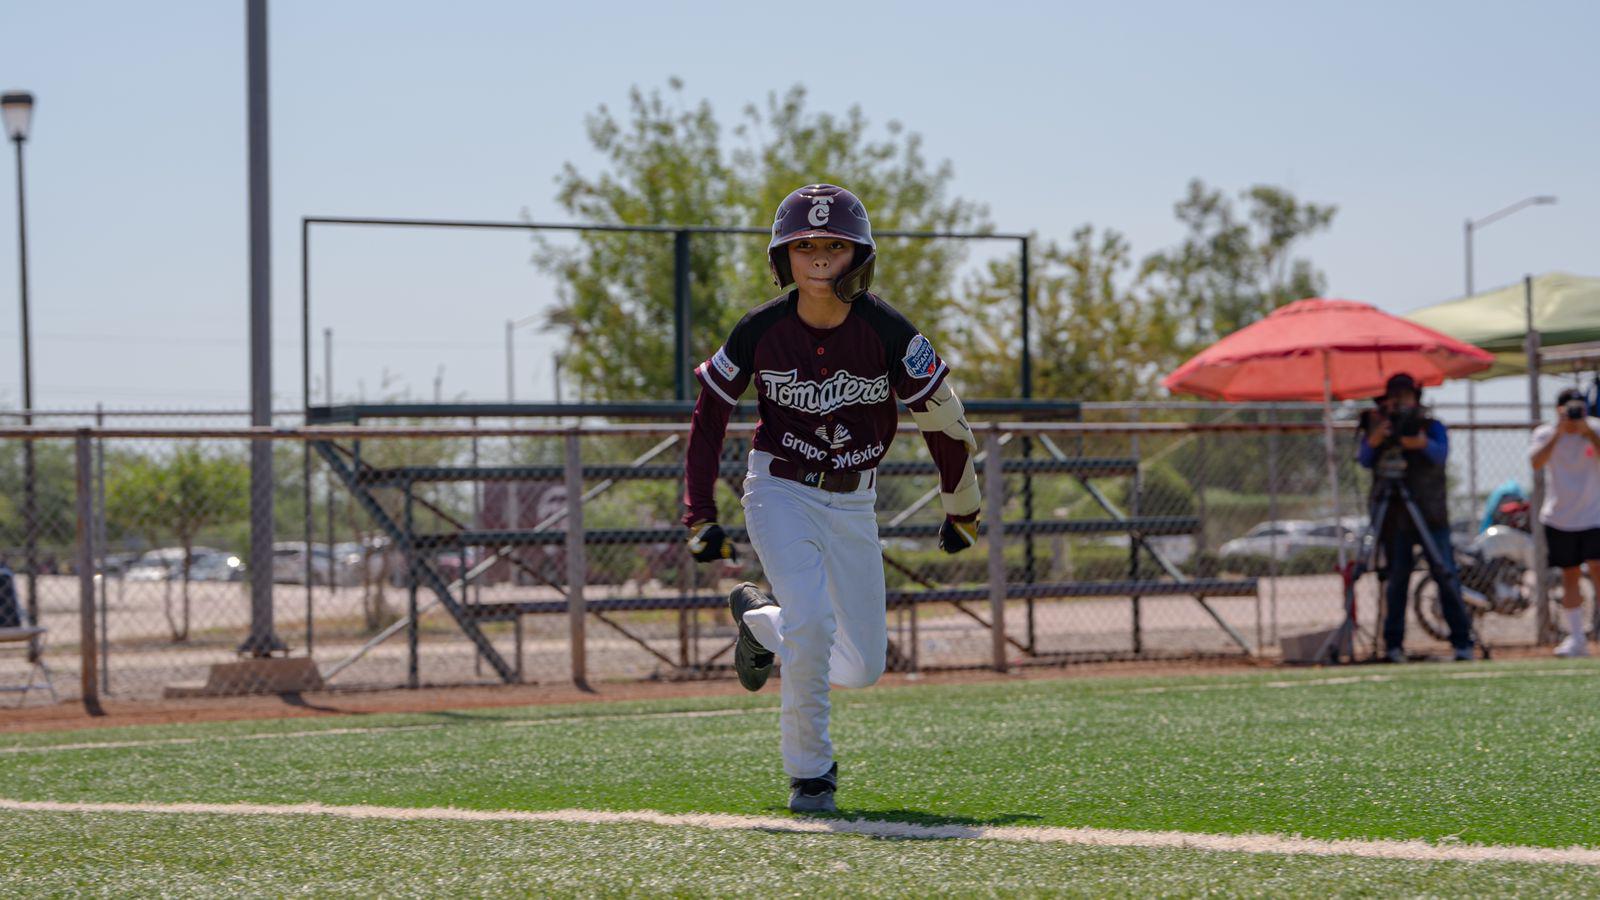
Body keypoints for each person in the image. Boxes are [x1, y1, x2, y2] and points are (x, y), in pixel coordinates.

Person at [681, 184, 981, 813]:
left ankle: (760, 623)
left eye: (835, 245)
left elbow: (942, 416)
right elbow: (709, 416)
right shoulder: (759, 328)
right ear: (782, 258)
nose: (819, 257)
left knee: (863, 666)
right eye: (804, 246)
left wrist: (961, 506)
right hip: (780, 488)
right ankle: (811, 773)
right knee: (814, 622)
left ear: (859, 256)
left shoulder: (888, 329)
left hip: (854, 502)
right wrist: (701, 514)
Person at [1356, 372, 1474, 662]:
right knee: (1396, 579)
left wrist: (1421, 444)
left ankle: (1462, 642)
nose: (1399, 403)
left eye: (1405, 397)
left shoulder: (1430, 426)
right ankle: (1393, 645)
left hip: (1431, 515)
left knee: (1445, 574)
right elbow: (1364, 459)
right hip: (1394, 517)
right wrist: (1376, 438)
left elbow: (1440, 454)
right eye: (1393, 398)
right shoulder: (1379, 426)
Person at [1528, 387, 1600, 657]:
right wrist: (1559, 432)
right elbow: (1536, 462)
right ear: (1558, 410)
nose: (1575, 414)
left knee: (1598, 570)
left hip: (1594, 515)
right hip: (1560, 518)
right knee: (1570, 575)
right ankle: (1577, 639)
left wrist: (1587, 433)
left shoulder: (1595, 429)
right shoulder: (1546, 433)